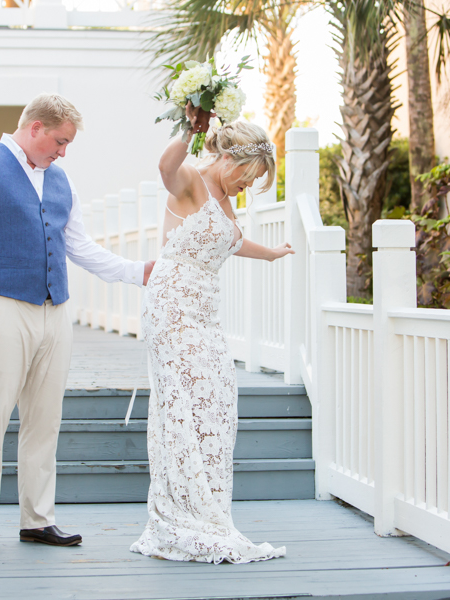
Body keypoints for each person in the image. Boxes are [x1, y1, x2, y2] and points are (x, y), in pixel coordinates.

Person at [0, 93, 154, 556]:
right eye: (60, 141)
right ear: (35, 127)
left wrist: (137, 272)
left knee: (44, 420)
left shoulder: (61, 181)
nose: (63, 151)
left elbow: (80, 246)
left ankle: (38, 519)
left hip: (55, 310)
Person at [130, 106, 294, 564]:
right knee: (182, 403)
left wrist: (271, 254)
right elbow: (164, 166)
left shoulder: (226, 198)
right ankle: (179, 515)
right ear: (228, 158)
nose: (248, 185)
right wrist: (190, 128)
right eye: (249, 175)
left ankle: (207, 508)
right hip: (172, 303)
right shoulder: (190, 180)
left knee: (218, 400)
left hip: (204, 308)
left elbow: (231, 240)